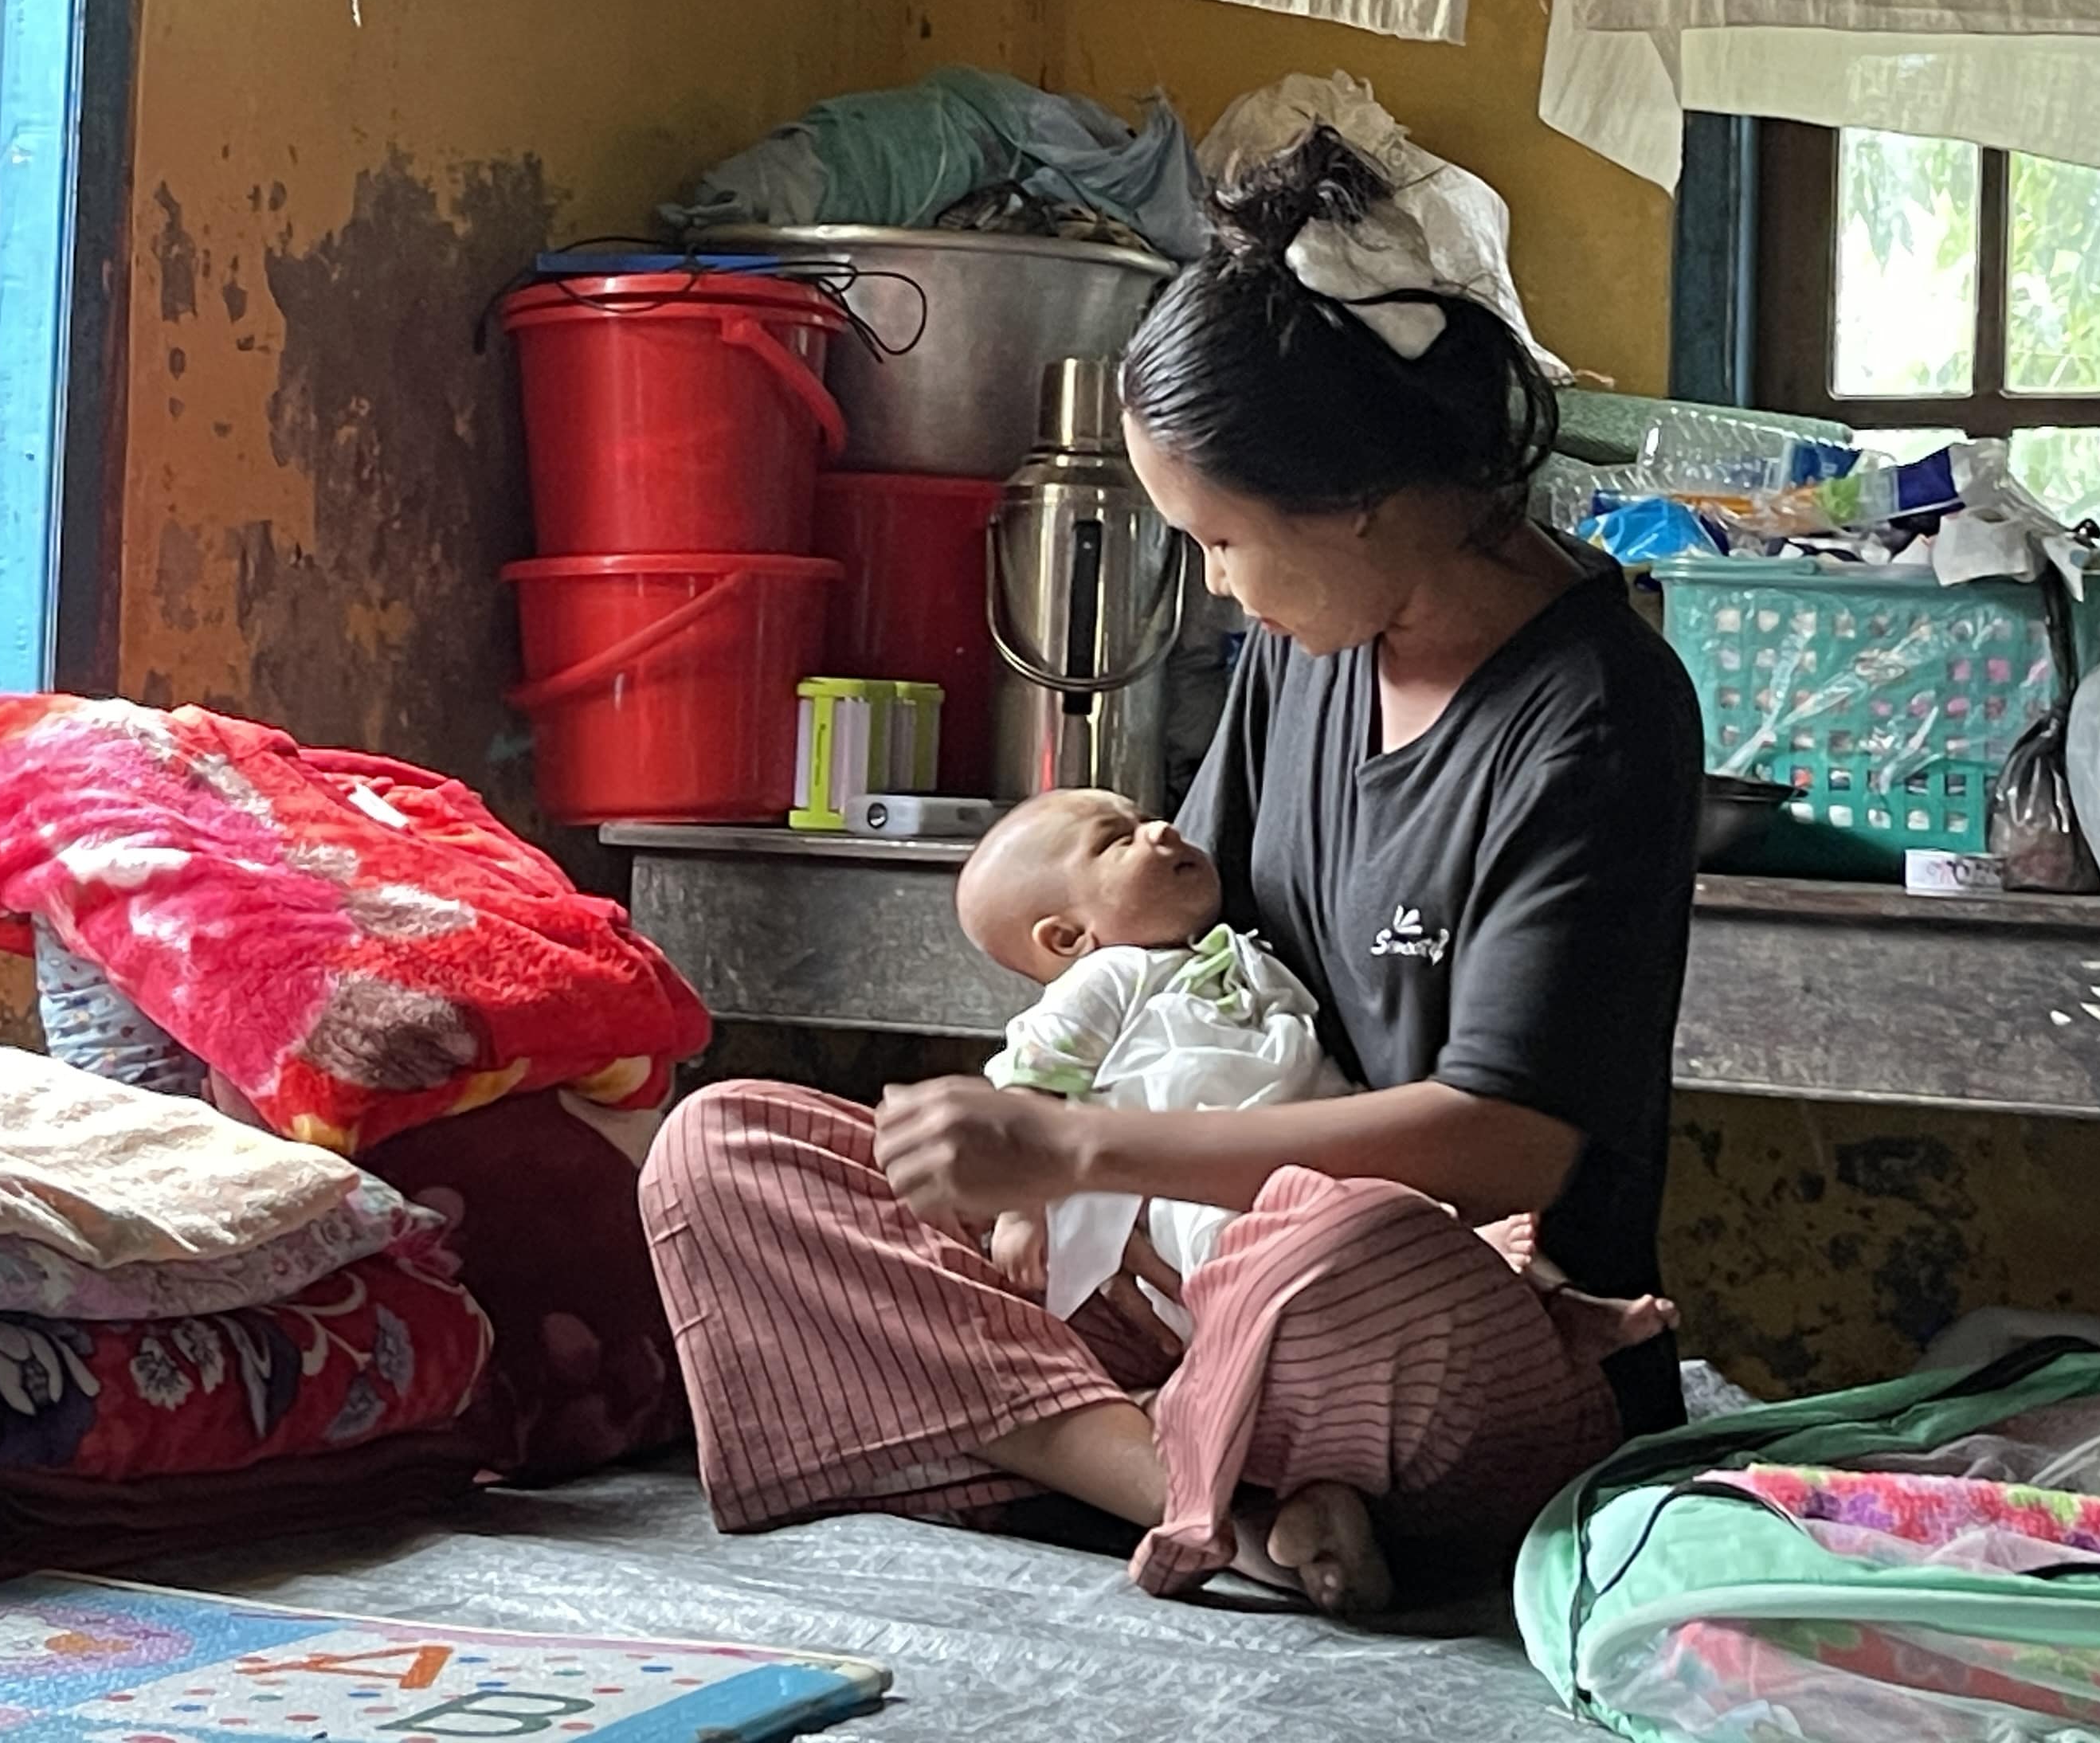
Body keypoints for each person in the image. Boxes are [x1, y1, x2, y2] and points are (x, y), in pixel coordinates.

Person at [638, 131, 1705, 1613]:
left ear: (1355, 501)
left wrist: (1078, 1154)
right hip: (1187, 1279)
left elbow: (1508, 1144)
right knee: (727, 1151)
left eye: (1218, 537)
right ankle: (1221, 1501)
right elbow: (1173, 939)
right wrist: (1034, 1135)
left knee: (1343, 1248)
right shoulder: (1309, 640)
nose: (1212, 582)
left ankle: (1189, 1457)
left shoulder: (1596, 711)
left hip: (1449, 1318)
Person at [957, 785, 1675, 1369]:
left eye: (1147, 818)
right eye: (1118, 841)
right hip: (1220, 1201)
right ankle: (1516, 1300)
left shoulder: (1234, 949)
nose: (1163, 832)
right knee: (1359, 1239)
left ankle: (1556, 1311)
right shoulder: (1108, 979)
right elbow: (1029, 1089)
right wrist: (1025, 1208)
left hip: (1317, 1146)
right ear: (1065, 938)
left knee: (1447, 1201)